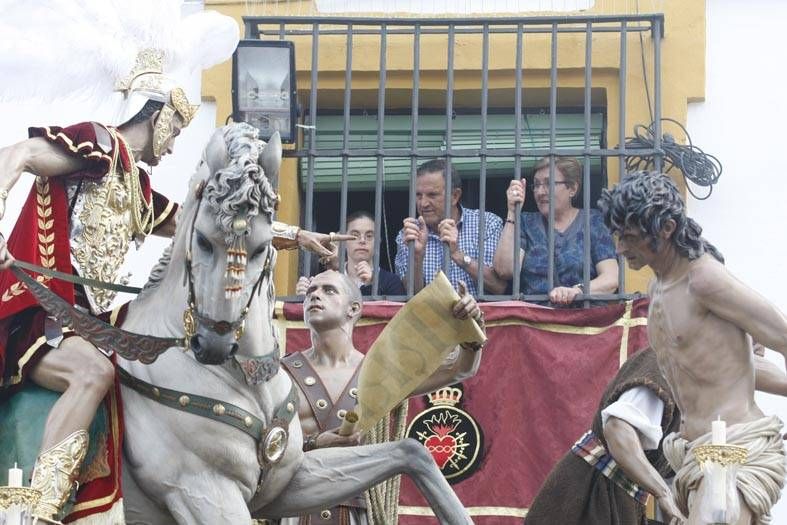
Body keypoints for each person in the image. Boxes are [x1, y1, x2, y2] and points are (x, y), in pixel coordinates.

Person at [0, 57, 350, 521]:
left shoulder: (140, 191)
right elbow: (19, 154)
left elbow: (214, 222)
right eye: (177, 127)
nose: (173, 143)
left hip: (87, 323)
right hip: (36, 313)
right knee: (95, 375)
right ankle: (38, 508)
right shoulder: (100, 144)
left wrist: (296, 235)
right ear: (156, 114)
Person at [598, 171, 787, 524]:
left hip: (734, 448)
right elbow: (718, 365)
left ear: (666, 228)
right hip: (692, 455)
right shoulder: (657, 290)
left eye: (631, 237)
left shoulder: (704, 280)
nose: (620, 248)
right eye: (617, 236)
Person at [281, 269, 484, 524]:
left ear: (353, 309)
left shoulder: (383, 374)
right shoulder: (282, 373)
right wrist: (313, 444)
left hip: (358, 513)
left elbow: (461, 369)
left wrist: (470, 335)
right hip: (296, 511)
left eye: (328, 290)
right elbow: (265, 447)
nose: (315, 296)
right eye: (311, 291)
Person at [525, 347, 684, 525]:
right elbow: (618, 429)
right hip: (587, 497)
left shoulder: (694, 391)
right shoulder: (663, 363)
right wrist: (663, 493)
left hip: (620, 502)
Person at [493, 156, 618, 305]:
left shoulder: (593, 221)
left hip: (585, 322)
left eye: (548, 184)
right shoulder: (526, 223)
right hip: (535, 322)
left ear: (572, 188)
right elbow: (504, 271)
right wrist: (512, 212)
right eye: (537, 185)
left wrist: (577, 291)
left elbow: (611, 278)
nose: (540, 192)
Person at [395, 158, 507, 297]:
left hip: (480, 316)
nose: (423, 203)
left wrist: (457, 255)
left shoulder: (486, 223)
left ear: (455, 196)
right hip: (431, 317)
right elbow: (410, 296)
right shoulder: (408, 234)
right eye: (418, 195)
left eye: (432, 195)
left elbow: (498, 287)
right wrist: (417, 257)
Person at [296, 210, 405, 297]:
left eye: (369, 236)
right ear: (343, 239)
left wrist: (371, 285)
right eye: (355, 235)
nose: (362, 240)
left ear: (378, 241)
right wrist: (304, 299)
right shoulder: (326, 280)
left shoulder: (392, 282)